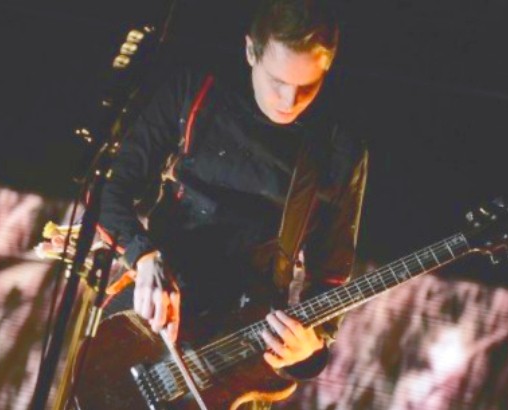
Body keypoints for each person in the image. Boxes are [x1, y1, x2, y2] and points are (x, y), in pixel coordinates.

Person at [97, 0, 368, 406]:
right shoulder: (195, 93)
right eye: (277, 81)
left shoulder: (338, 150)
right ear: (250, 51)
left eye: (308, 87)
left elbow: (330, 275)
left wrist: (310, 347)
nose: (289, 100)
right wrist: (144, 256)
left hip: (241, 348)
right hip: (156, 318)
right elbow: (109, 189)